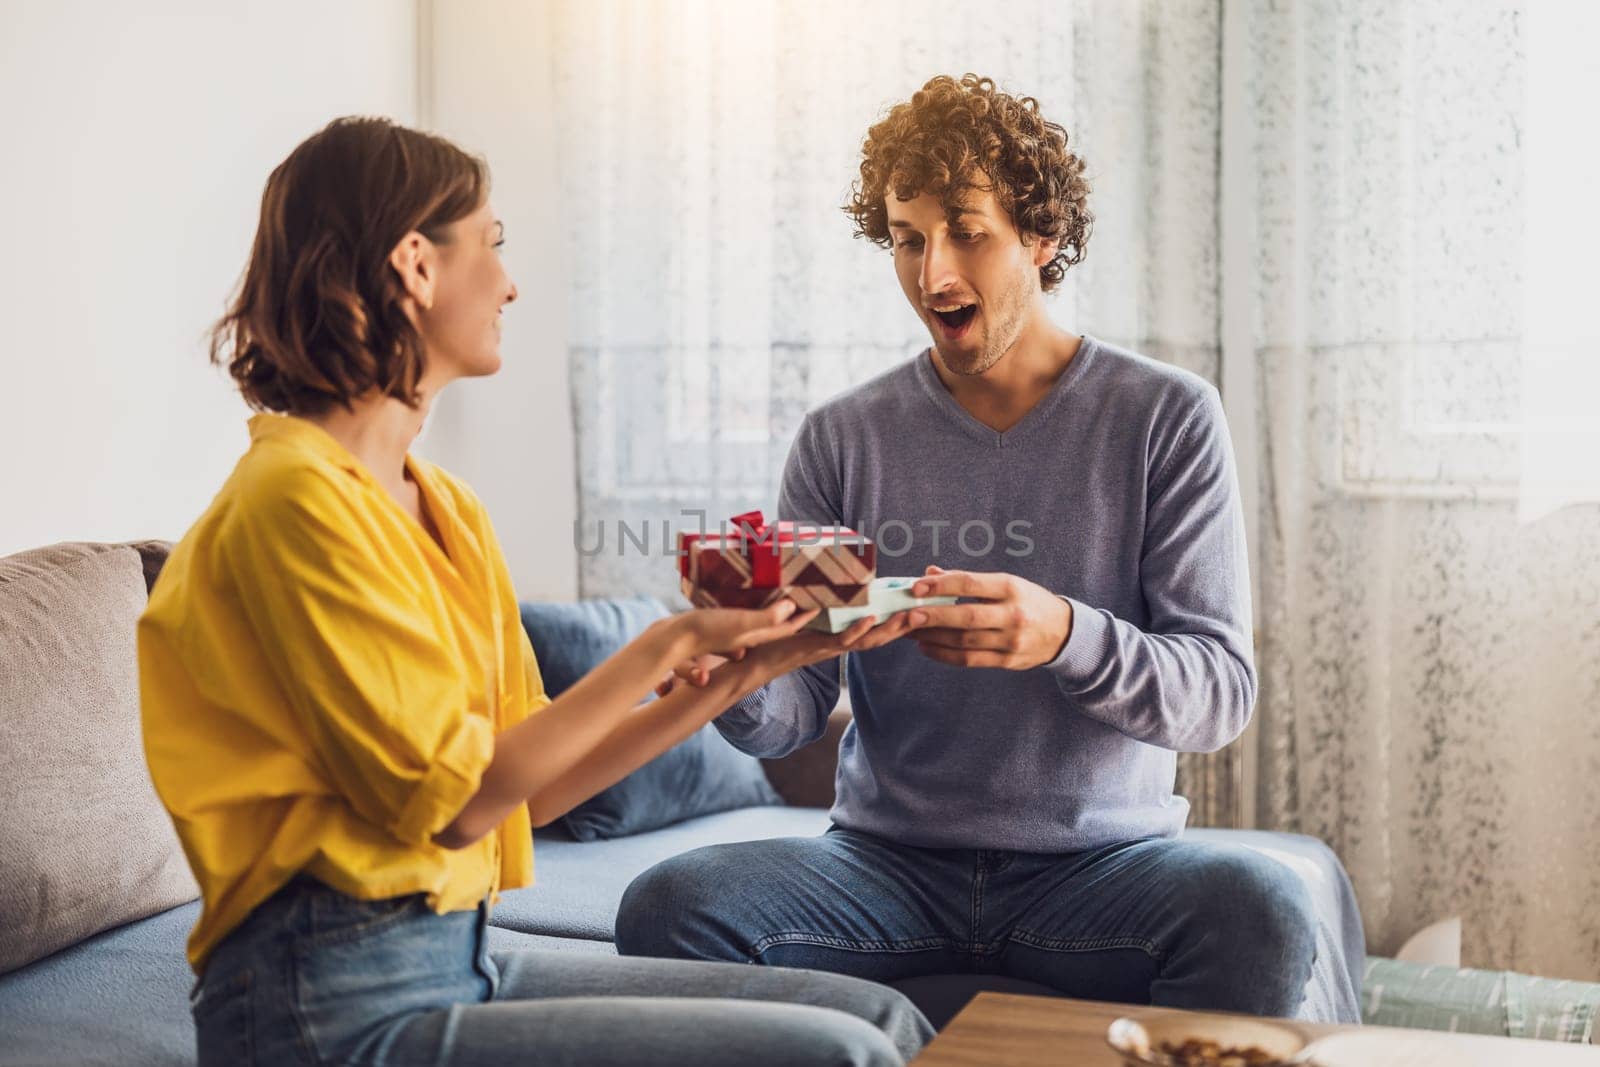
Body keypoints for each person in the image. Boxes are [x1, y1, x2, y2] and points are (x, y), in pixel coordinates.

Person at [138, 116, 931, 1067]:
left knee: (882, 1022)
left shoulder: (446, 509)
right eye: (493, 243)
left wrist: (751, 666)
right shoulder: (291, 505)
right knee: (839, 1058)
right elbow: (458, 802)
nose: (509, 281)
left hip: (459, 961)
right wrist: (670, 642)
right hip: (324, 1005)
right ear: (415, 266)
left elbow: (539, 783)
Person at [616, 74, 1338, 1021]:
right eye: (908, 239)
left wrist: (1066, 635)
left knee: (1266, 913)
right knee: (670, 905)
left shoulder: (1165, 418)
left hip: (1104, 869)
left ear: (1040, 237)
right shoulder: (842, 438)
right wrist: (733, 680)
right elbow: (796, 707)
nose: (933, 276)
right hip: (880, 868)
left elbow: (1219, 692)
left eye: (966, 230)